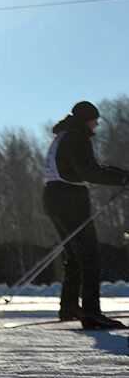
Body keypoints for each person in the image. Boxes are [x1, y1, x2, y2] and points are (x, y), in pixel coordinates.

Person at [43, 100, 129, 329]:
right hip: (69, 201)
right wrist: (121, 179)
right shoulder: (76, 137)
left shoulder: (64, 135)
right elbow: (89, 171)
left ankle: (70, 306)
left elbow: (90, 168)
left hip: (55, 198)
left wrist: (121, 174)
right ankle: (92, 314)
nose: (97, 123)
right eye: (94, 119)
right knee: (90, 257)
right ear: (85, 119)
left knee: (74, 258)